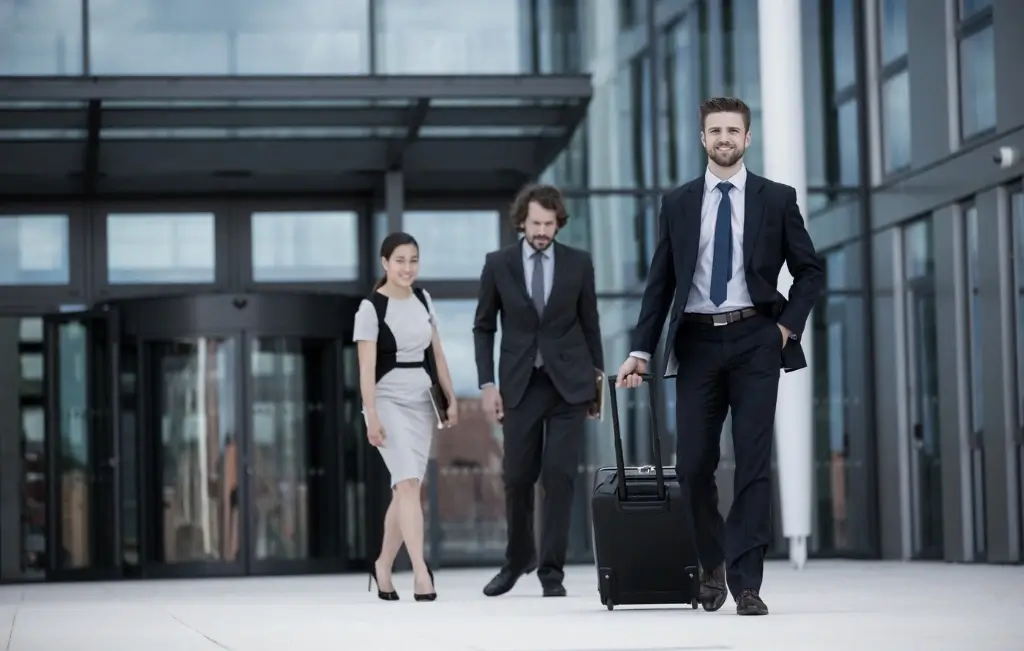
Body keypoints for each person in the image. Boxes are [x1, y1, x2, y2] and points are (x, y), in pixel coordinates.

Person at [615, 97, 823, 616]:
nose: (724, 138)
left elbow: (810, 271)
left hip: (756, 340)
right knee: (692, 465)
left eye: (733, 130)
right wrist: (640, 350)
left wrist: (785, 328)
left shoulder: (777, 198)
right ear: (702, 138)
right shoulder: (679, 203)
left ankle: (747, 582)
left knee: (753, 463)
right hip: (698, 344)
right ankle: (712, 563)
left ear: (747, 138)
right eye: (715, 130)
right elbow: (660, 283)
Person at [473, 183, 604, 598]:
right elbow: (483, 327)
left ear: (558, 223)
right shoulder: (499, 264)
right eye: (536, 223)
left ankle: (552, 571)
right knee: (516, 476)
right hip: (520, 384)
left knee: (560, 477)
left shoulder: (578, 264)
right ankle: (517, 560)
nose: (543, 230)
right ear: (522, 222)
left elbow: (590, 323)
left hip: (569, 386)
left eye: (550, 224)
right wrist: (487, 384)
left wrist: (596, 384)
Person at [354, 231, 459, 602]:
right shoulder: (370, 309)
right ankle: (420, 572)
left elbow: (438, 352)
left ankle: (383, 564)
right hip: (387, 401)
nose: (407, 267)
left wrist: (450, 396)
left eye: (413, 259)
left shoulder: (423, 298)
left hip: (421, 401)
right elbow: (365, 370)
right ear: (385, 263)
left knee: (405, 489)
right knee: (409, 485)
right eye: (399, 260)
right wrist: (371, 417)